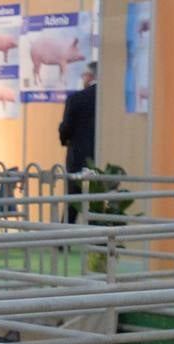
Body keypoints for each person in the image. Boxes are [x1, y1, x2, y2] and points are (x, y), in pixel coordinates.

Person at [58, 61, 97, 225]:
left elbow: (66, 129)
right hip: (101, 158)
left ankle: (63, 237)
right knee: (98, 202)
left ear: (90, 76)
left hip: (78, 158)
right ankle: (99, 236)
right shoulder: (110, 99)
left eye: (84, 75)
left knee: (72, 203)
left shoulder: (76, 99)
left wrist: (64, 139)